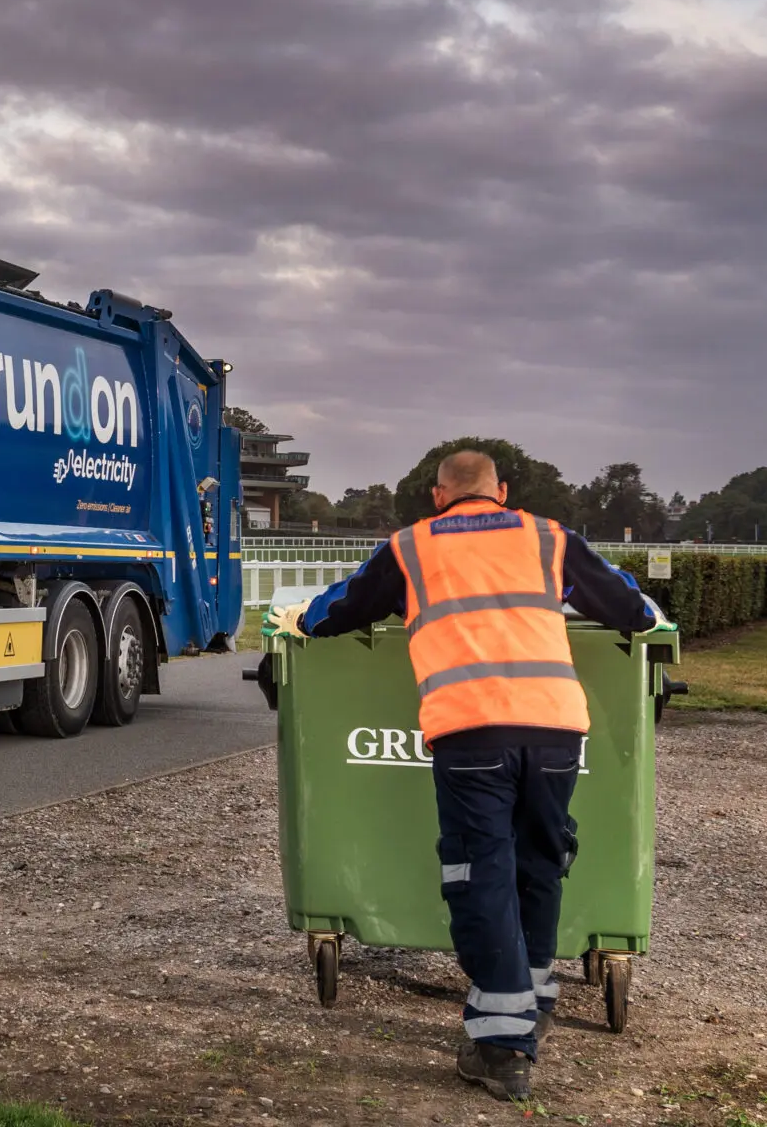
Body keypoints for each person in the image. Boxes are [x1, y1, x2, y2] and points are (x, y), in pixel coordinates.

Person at [265, 450, 662, 1102]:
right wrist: (643, 616)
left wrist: (302, 620)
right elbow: (628, 607)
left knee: (481, 878)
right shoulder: (548, 538)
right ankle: (529, 1002)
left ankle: (504, 1047)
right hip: (557, 730)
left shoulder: (413, 547)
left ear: (438, 495)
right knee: (539, 865)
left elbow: (346, 607)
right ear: (501, 492)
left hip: (474, 731)